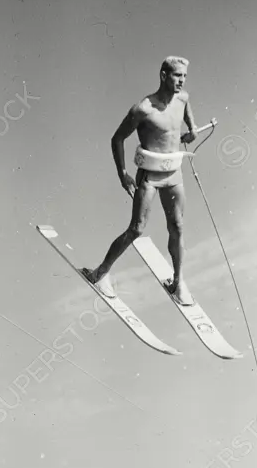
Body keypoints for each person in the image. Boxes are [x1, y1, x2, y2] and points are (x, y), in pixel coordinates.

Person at [83, 56, 199, 306]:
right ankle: (100, 274)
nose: (181, 81)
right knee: (137, 228)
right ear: (164, 75)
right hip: (150, 175)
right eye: (177, 75)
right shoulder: (143, 109)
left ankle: (178, 283)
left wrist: (191, 130)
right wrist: (122, 173)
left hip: (174, 173)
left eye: (185, 77)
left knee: (177, 227)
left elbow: (188, 118)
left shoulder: (183, 99)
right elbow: (117, 139)